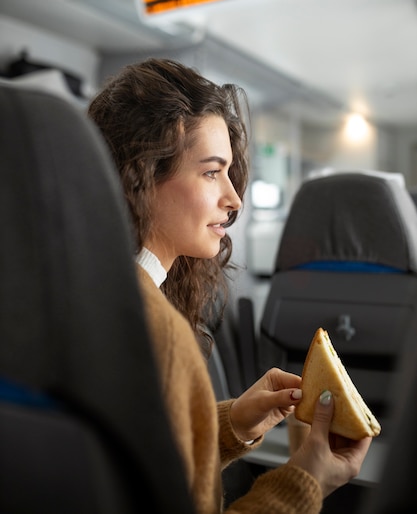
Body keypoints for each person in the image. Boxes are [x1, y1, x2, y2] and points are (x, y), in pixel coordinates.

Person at [87, 58, 371, 514]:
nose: (234, 199)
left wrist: (233, 419)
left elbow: (144, 468)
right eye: (210, 171)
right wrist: (305, 480)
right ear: (140, 178)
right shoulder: (154, 332)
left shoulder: (85, 293)